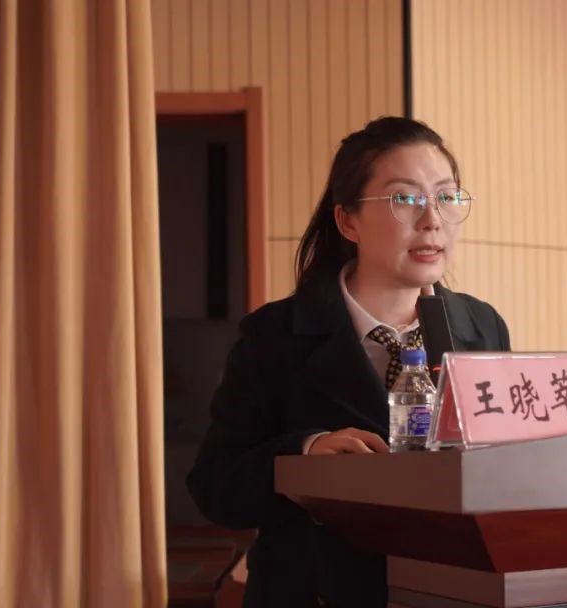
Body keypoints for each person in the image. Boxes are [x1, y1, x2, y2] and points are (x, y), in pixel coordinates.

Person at [187, 116, 512, 607]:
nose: (432, 219)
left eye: (446, 196)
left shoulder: (482, 326)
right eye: (405, 198)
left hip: (449, 591)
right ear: (348, 221)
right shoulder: (274, 335)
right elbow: (215, 488)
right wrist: (305, 451)